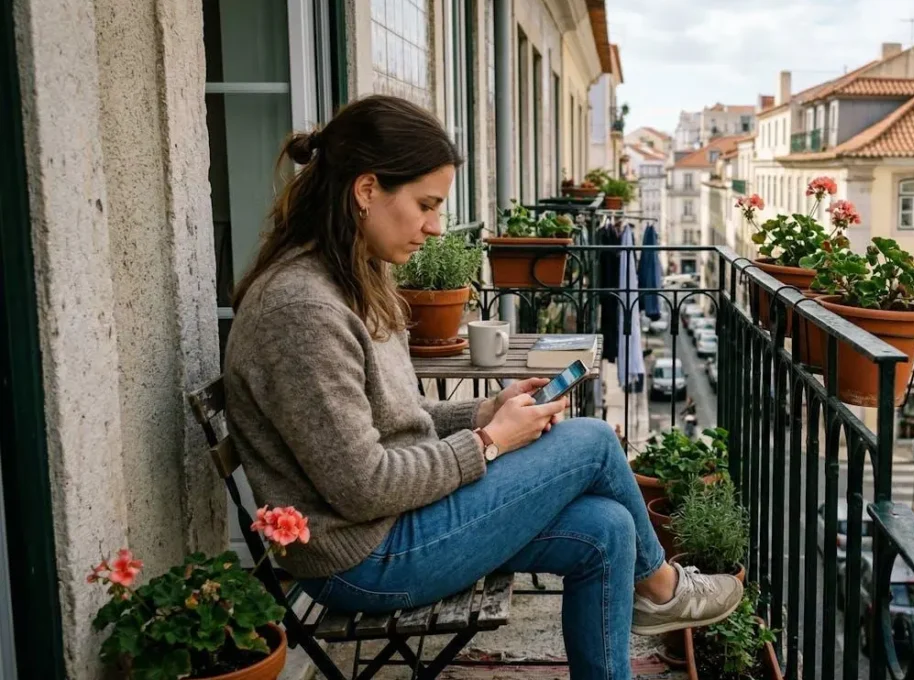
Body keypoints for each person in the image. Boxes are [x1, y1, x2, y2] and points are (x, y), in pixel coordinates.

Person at [223, 95, 742, 679]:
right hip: (365, 557)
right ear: (366, 190)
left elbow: (393, 419)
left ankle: (652, 598)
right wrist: (491, 442)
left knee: (609, 529)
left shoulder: (349, 281)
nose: (435, 226)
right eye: (425, 205)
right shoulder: (302, 310)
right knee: (595, 442)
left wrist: (483, 412)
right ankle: (664, 589)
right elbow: (363, 487)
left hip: (397, 523)